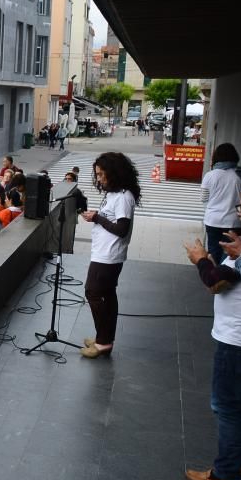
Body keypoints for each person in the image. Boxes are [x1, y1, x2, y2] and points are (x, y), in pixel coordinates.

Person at [183, 217, 241, 480]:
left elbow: (212, 279)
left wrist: (201, 260)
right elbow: (217, 284)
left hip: (236, 342)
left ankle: (225, 474)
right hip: (234, 338)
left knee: (228, 407)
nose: (239, 212)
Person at [80, 152, 141, 359]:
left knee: (93, 293)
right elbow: (111, 219)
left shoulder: (124, 197)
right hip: (105, 253)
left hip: (108, 256)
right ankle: (104, 338)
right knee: (107, 295)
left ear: (112, 173)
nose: (98, 179)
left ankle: (103, 341)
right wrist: (97, 216)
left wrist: (97, 217)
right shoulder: (115, 194)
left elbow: (121, 228)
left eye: (100, 174)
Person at [201, 143, 241, 265]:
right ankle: (227, 279)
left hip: (212, 220)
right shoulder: (239, 175)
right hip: (233, 222)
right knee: (230, 255)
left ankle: (214, 279)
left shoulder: (210, 175)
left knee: (213, 252)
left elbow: (203, 198)